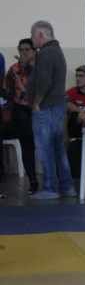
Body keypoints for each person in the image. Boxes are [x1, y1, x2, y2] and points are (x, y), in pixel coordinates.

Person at [28, 20, 76, 199]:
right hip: (57, 107)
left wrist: (36, 102)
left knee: (45, 148)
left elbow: (44, 81)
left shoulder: (46, 53)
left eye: (33, 36)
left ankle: (50, 188)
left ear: (41, 35)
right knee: (58, 148)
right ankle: (67, 187)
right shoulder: (57, 51)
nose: (32, 40)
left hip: (46, 107)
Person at [2, 38, 38, 194]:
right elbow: (7, 91)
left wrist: (28, 67)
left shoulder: (40, 68)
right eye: (21, 50)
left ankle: (53, 181)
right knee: (27, 143)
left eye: (27, 50)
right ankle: (33, 181)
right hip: (21, 110)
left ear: (34, 51)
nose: (23, 53)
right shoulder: (13, 69)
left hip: (40, 110)